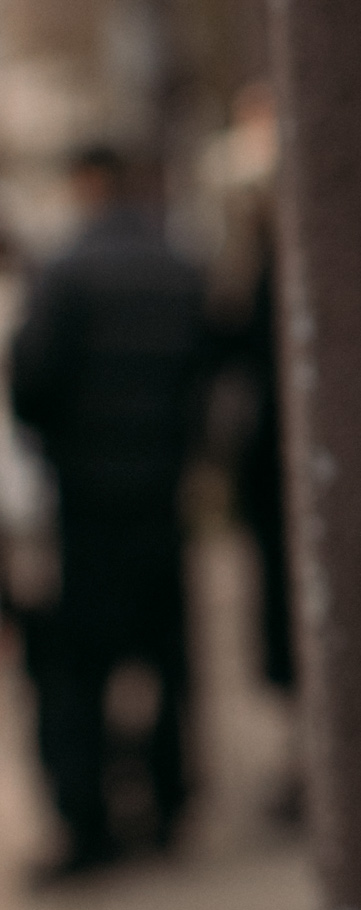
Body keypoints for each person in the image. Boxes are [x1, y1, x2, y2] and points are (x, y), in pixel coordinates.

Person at [11, 144, 207, 873]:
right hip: (162, 494)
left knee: (76, 669)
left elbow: (30, 382)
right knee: (166, 657)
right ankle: (169, 798)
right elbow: (206, 369)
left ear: (83, 185)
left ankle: (89, 820)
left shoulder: (63, 273)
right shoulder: (178, 265)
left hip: (84, 503)